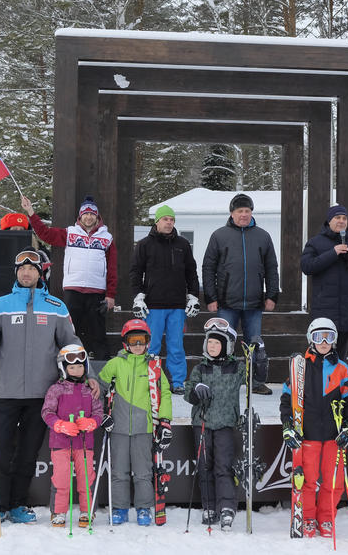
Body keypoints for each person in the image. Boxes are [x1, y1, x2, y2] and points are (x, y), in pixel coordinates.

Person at [0, 247, 88, 529]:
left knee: (27, 453)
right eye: (22, 268)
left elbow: (72, 345)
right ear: (16, 272)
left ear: (41, 272)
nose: (26, 272)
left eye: (32, 269)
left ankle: (19, 504)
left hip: (42, 396)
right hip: (6, 394)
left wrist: (89, 375)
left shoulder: (57, 307)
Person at [279, 318, 348, 539]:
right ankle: (308, 518)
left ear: (334, 341)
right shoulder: (300, 366)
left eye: (329, 337)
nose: (323, 342)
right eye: (318, 337)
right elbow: (287, 399)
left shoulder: (342, 368)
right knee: (308, 480)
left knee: (334, 482)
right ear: (310, 339)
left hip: (334, 435)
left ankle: (326, 519)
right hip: (308, 435)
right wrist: (288, 426)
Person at [184, 318, 266, 530]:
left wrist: (260, 358)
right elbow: (188, 393)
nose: (212, 346)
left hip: (225, 425)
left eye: (217, 343)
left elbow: (255, 379)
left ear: (226, 346)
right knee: (204, 467)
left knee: (223, 466)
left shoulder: (236, 368)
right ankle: (209, 506)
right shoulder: (200, 368)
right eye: (210, 342)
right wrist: (196, 391)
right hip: (201, 424)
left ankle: (227, 507)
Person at [97, 319, 173, 527]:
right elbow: (97, 389)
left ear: (148, 342)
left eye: (142, 340)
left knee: (143, 472)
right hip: (119, 427)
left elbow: (164, 393)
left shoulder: (154, 366)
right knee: (119, 471)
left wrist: (164, 421)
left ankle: (143, 508)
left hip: (144, 428)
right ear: (125, 343)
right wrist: (100, 413)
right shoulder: (115, 364)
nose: (138, 345)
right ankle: (120, 509)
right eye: (133, 340)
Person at [202, 193, 279, 394]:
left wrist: (271, 295)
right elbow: (208, 267)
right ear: (232, 213)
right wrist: (210, 297)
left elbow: (272, 268)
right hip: (227, 303)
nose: (244, 214)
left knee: (254, 344)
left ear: (251, 213)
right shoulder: (219, 235)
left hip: (254, 303)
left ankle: (254, 382)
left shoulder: (263, 236)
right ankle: (222, 381)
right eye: (240, 211)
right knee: (222, 342)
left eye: (247, 211)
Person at [23, 194, 116, 361]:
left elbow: (112, 268)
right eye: (85, 214)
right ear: (80, 216)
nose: (88, 217)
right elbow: (45, 234)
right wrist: (30, 212)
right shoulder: (70, 233)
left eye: (92, 214)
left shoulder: (106, 238)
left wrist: (110, 295)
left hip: (97, 291)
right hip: (73, 290)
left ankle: (103, 373)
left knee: (98, 332)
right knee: (70, 330)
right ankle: (65, 367)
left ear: (97, 216)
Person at [130, 204, 201, 395]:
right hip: (153, 304)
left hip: (177, 305)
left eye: (172, 220)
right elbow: (136, 271)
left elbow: (191, 272)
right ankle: (149, 379)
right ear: (157, 222)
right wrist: (138, 296)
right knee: (151, 345)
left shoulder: (183, 245)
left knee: (176, 345)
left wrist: (193, 295)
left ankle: (177, 381)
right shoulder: (144, 244)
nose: (169, 223)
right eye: (165, 219)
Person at [300, 204, 348, 359]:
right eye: (337, 217)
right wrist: (332, 253)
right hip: (324, 313)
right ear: (329, 221)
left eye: (344, 218)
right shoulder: (315, 242)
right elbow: (307, 267)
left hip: (347, 312)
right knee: (321, 358)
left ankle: (339, 383)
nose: (341, 221)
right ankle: (320, 383)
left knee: (340, 358)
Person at [41, 344, 102, 527]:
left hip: (83, 443)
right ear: (64, 368)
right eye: (72, 367)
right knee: (61, 478)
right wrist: (59, 425)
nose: (77, 370)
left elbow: (99, 411)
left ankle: (87, 511)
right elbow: (47, 412)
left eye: (80, 366)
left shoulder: (89, 390)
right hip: (61, 442)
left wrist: (92, 422)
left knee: (86, 478)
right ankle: (58, 512)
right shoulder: (56, 390)